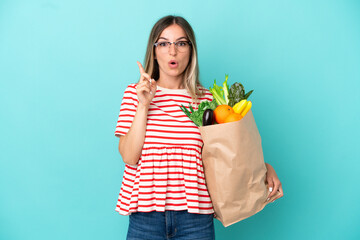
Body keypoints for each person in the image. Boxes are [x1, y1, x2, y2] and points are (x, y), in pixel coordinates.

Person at [114, 15, 283, 240]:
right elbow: (129, 156)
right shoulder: (135, 94)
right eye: (164, 43)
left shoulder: (208, 100)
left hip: (195, 219)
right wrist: (144, 105)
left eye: (181, 43)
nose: (172, 51)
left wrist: (264, 168)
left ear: (191, 50)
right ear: (154, 51)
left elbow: (227, 154)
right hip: (145, 216)